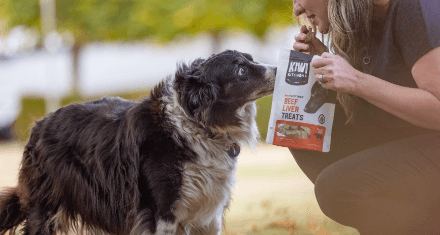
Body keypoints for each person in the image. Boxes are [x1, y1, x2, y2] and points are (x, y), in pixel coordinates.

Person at [290, 0, 440, 234]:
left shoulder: (412, 7)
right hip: (420, 143)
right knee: (300, 131)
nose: (296, 9)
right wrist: (326, 61)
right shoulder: (366, 22)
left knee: (337, 189)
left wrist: (357, 81)